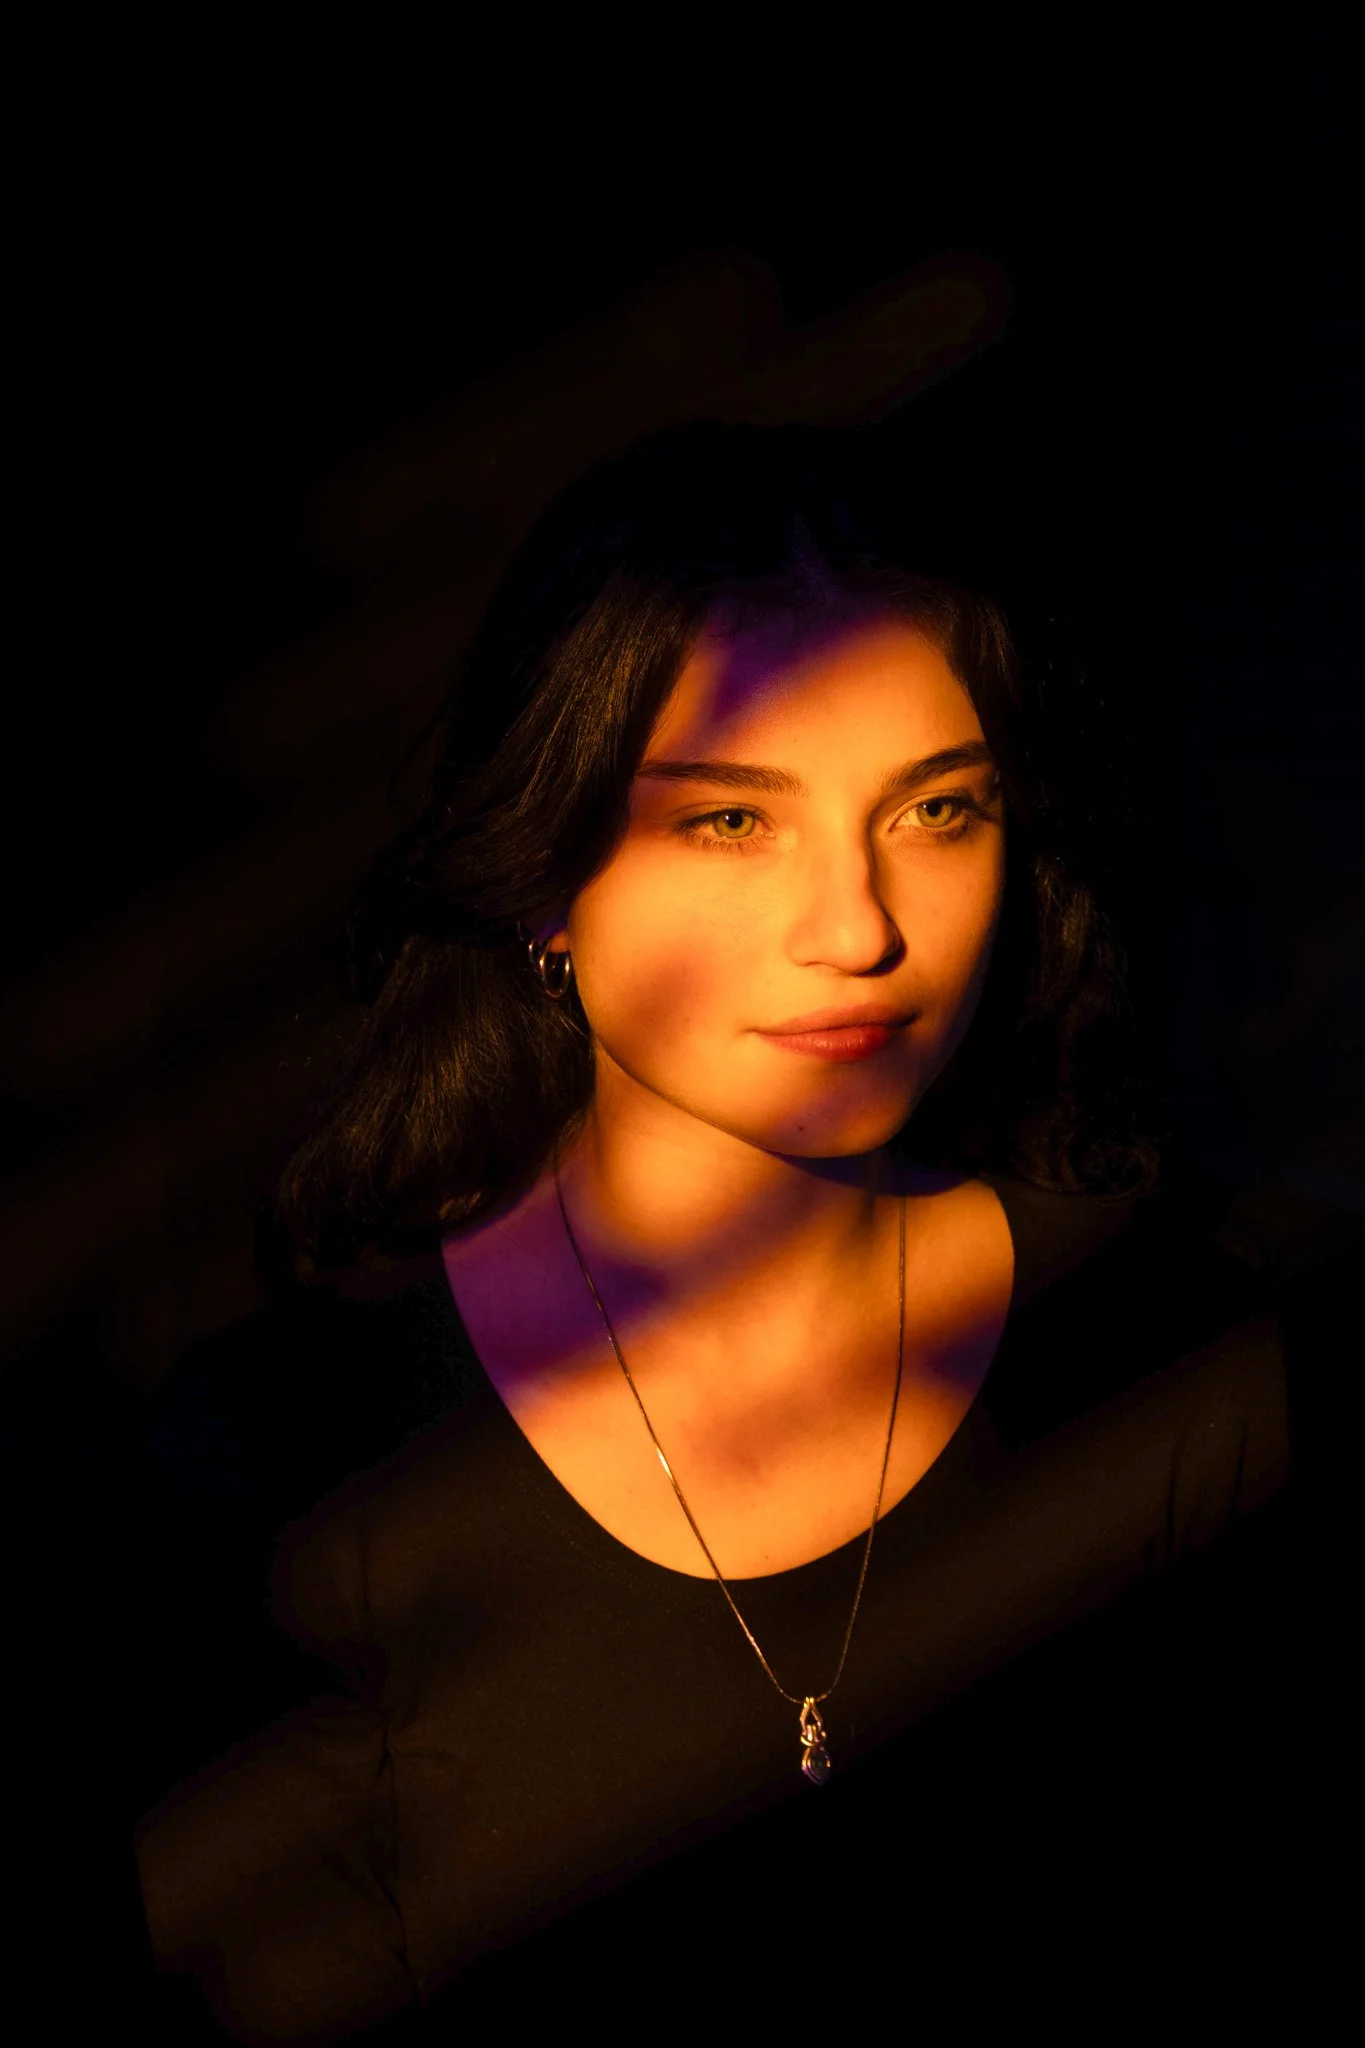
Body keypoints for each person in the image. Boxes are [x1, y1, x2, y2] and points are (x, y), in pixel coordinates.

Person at [127, 422, 1292, 2042]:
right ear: (546, 871)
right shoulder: (285, 1471)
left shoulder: (1183, 1363)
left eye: (940, 811)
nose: (861, 927)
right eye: (732, 821)